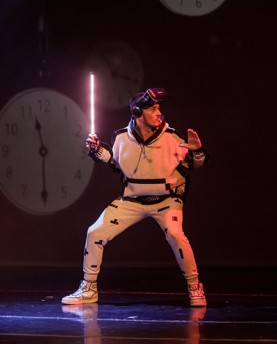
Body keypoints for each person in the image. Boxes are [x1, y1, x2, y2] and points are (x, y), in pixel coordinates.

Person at [61, 87, 210, 307]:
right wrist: (97, 150)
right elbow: (113, 161)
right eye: (153, 109)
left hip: (166, 201)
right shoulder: (121, 137)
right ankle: (88, 288)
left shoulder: (172, 137)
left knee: (176, 235)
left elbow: (196, 163)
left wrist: (197, 150)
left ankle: (195, 286)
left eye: (159, 108)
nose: (159, 113)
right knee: (95, 233)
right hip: (132, 201)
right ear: (138, 113)